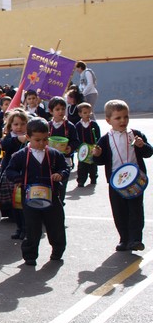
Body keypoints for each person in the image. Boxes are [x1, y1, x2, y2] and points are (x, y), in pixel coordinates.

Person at [5, 118, 70, 266]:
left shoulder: (54, 154)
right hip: (29, 198)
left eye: (45, 139)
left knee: (56, 225)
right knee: (32, 227)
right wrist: (18, 178)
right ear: (28, 137)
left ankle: (57, 251)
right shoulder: (20, 155)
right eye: (37, 140)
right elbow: (10, 170)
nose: (42, 143)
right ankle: (30, 255)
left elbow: (65, 167)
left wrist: (60, 174)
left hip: (52, 197)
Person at [92, 100, 153, 252]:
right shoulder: (105, 139)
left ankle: (135, 239)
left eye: (125, 117)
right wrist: (97, 155)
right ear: (108, 120)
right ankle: (124, 239)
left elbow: (149, 152)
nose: (123, 121)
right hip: (116, 182)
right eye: (118, 118)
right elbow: (99, 161)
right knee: (119, 211)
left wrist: (142, 146)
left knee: (136, 211)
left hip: (135, 180)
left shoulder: (136, 135)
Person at [0, 109, 30, 239]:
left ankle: (26, 228)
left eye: (22, 124)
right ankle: (19, 227)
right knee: (15, 204)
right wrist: (18, 140)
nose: (19, 127)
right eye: (16, 124)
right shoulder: (8, 138)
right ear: (10, 125)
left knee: (24, 204)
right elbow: (5, 146)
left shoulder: (29, 137)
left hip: (25, 175)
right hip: (11, 176)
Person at [47, 96, 80, 198]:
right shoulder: (48, 125)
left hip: (65, 159)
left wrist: (70, 148)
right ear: (51, 111)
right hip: (49, 159)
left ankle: (61, 201)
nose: (60, 112)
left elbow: (76, 141)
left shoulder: (70, 126)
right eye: (57, 109)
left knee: (62, 184)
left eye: (63, 109)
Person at [74, 102, 100, 187]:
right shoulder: (78, 126)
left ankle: (93, 178)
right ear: (80, 114)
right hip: (82, 149)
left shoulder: (94, 124)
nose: (88, 114)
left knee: (93, 164)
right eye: (85, 113)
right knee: (82, 166)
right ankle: (81, 180)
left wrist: (97, 146)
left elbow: (98, 136)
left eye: (89, 112)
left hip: (92, 148)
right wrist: (77, 147)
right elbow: (76, 138)